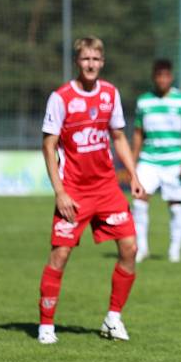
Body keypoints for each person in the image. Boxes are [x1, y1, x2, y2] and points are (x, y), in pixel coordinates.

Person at [37, 36, 144, 345]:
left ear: (102, 62)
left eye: (96, 59)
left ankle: (113, 318)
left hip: (107, 188)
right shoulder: (61, 98)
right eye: (85, 59)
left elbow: (119, 136)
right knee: (60, 255)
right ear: (77, 62)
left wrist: (133, 175)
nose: (91, 64)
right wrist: (59, 192)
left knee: (130, 249)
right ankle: (46, 325)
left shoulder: (110, 94)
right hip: (73, 190)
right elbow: (49, 146)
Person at [131, 59, 181, 263]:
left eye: (166, 75)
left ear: (171, 76)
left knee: (176, 206)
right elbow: (138, 133)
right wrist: (132, 163)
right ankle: (141, 249)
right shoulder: (144, 101)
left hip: (175, 161)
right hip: (149, 160)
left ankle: (174, 251)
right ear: (154, 77)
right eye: (158, 75)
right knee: (139, 202)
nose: (162, 79)